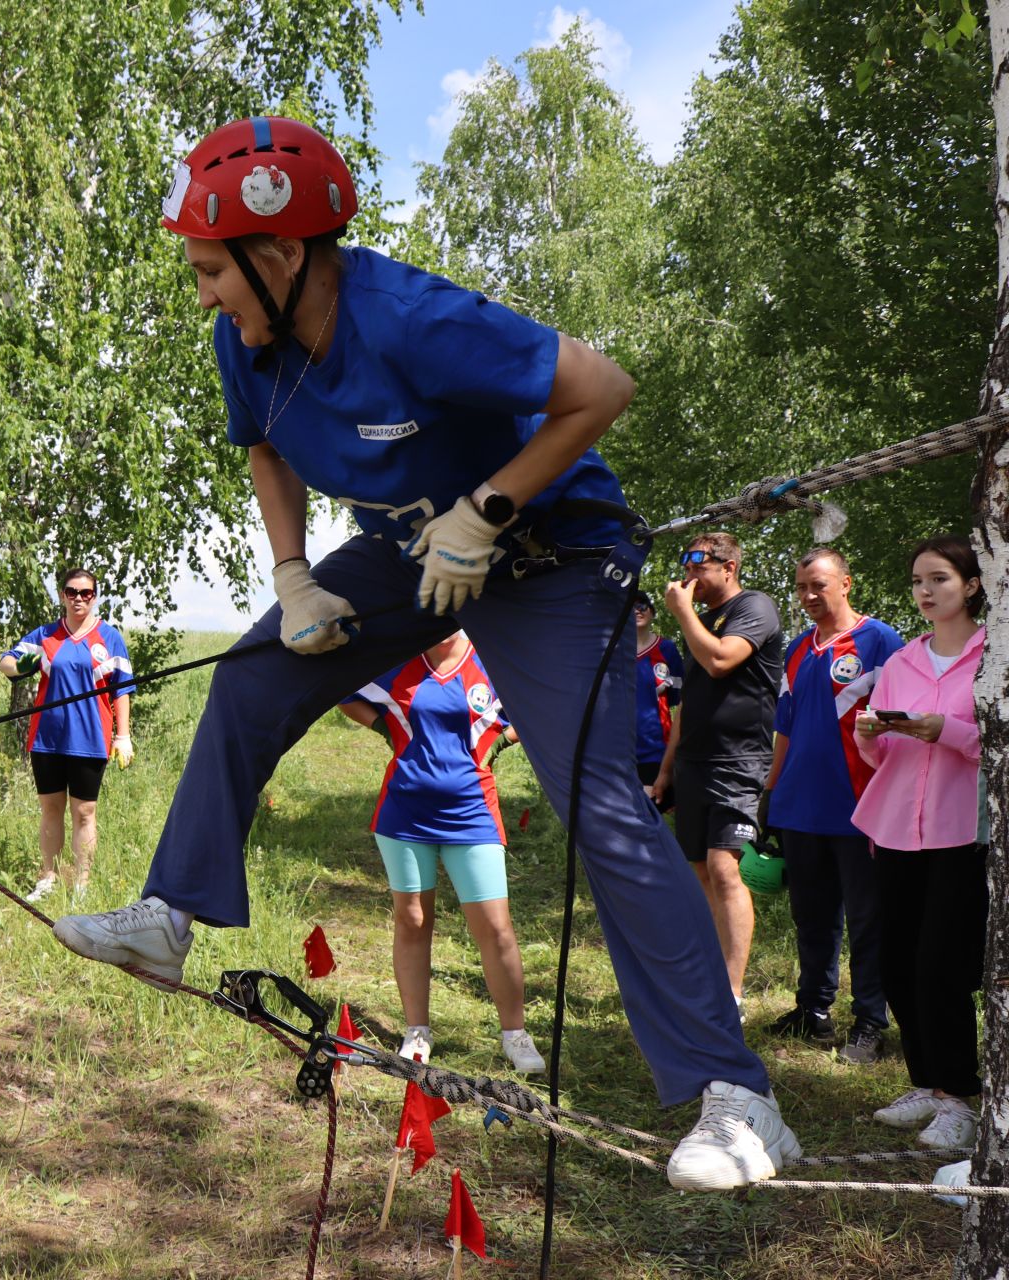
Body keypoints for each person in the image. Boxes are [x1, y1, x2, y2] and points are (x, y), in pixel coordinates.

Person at [51, 116, 798, 1190]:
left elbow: (604, 385)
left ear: (280, 254)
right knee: (253, 671)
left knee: (594, 800)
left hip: (549, 552)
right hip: (412, 549)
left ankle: (740, 1099)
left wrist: (490, 506)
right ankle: (170, 917)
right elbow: (263, 445)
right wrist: (293, 573)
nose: (203, 293)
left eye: (214, 270)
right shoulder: (245, 341)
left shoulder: (409, 317)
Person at [337, 631, 543, 1073]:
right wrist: (385, 729)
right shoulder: (398, 658)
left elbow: (538, 701)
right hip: (404, 812)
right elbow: (343, 691)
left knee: (496, 927)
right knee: (412, 919)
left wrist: (500, 740)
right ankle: (417, 1031)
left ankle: (515, 1035)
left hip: (473, 812)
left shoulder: (491, 657)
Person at [851, 535, 986, 1152]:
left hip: (964, 830)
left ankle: (960, 1096)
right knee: (896, 962)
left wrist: (948, 731)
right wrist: (871, 732)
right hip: (897, 825)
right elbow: (877, 755)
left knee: (942, 965)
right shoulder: (903, 660)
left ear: (973, 585)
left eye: (939, 579)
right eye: (917, 582)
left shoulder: (995, 657)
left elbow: (998, 744)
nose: (926, 592)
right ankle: (926, 1083)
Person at [760, 547, 901, 1062]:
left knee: (867, 919)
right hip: (799, 807)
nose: (809, 596)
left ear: (846, 582)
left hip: (861, 807)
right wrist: (771, 793)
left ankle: (870, 1021)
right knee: (812, 915)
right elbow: (785, 727)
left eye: (818, 585)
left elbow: (901, 727)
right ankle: (813, 1010)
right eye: (801, 588)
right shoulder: (797, 649)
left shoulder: (881, 641)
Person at [655, 532, 782, 1015]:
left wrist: (681, 613)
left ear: (728, 567)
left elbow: (722, 659)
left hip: (739, 761)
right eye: (687, 568)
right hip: (693, 764)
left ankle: (732, 991)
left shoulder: (755, 606)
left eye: (698, 567)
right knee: (701, 869)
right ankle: (710, 979)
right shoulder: (701, 621)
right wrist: (666, 771)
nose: (689, 578)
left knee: (725, 866)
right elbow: (685, 706)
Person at [0, 569, 134, 902]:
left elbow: (122, 690)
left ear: (94, 596)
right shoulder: (46, 636)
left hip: (90, 739)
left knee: (84, 811)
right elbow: (6, 662)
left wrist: (123, 736)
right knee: (50, 808)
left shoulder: (109, 638)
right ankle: (47, 878)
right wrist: (21, 665)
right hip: (47, 739)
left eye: (86, 593)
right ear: (62, 595)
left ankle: (82, 884)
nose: (78, 598)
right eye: (72, 592)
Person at [632, 591, 683, 811]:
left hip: (655, 751)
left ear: (652, 612)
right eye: (630, 606)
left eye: (642, 605)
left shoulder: (667, 650)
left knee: (651, 817)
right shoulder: (613, 654)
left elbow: (680, 698)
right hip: (618, 752)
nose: (637, 610)